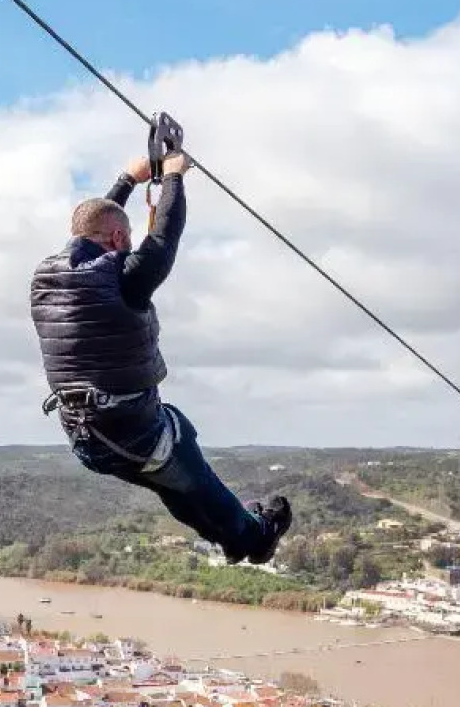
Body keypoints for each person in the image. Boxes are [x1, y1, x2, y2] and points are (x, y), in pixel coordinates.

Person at [29, 145, 292, 565]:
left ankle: (233, 538)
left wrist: (128, 180)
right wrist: (174, 176)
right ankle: (255, 537)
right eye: (126, 239)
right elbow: (164, 239)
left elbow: (91, 224)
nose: (131, 247)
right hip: (131, 432)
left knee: (170, 480)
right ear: (118, 239)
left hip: (86, 437)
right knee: (184, 455)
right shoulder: (125, 280)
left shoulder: (48, 277)